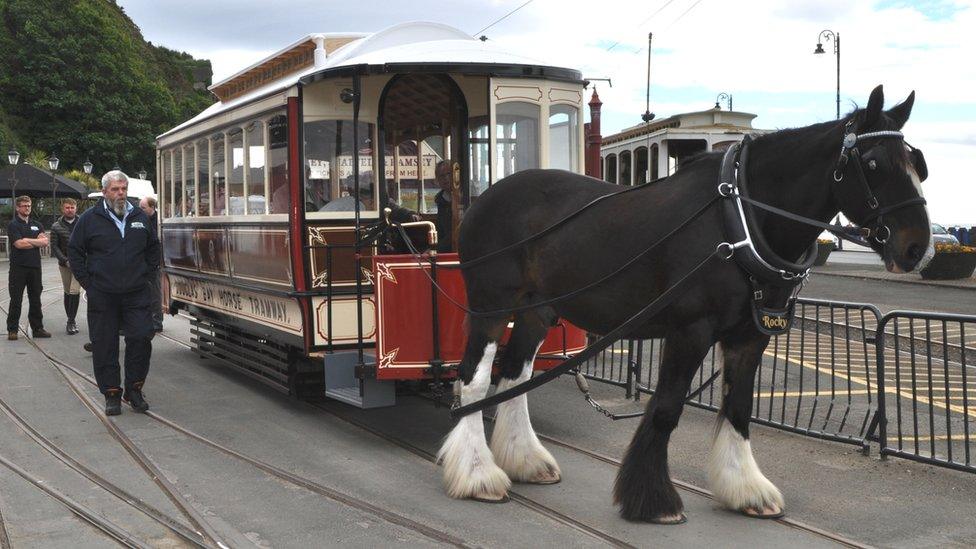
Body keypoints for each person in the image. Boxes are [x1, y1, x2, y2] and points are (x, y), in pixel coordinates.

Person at [69, 171, 160, 416]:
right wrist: (88, 282)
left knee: (141, 338)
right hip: (103, 294)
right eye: (115, 189)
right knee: (104, 344)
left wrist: (146, 275)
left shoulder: (140, 216)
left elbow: (153, 248)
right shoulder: (89, 219)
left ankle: (134, 389)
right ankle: (111, 394)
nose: (120, 193)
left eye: (123, 188)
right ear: (105, 192)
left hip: (137, 293)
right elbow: (75, 252)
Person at [6, 196, 52, 340]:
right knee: (16, 300)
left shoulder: (37, 224)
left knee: (35, 299)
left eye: (29, 205)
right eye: (24, 206)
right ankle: (12, 330)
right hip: (18, 268)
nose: (27, 208)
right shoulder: (13, 225)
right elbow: (19, 244)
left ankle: (37, 328)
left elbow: (45, 242)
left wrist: (27, 240)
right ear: (18, 208)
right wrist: (35, 241)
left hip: (34, 268)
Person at [49, 199, 82, 334]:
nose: (70, 210)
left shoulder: (82, 222)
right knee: (68, 291)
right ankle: (71, 318)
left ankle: (71, 321)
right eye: (67, 208)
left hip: (80, 263)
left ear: (76, 209)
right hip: (64, 264)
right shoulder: (56, 226)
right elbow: (54, 246)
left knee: (75, 290)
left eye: (72, 207)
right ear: (63, 209)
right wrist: (64, 260)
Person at [139, 196, 163, 332]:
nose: (141, 210)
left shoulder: (158, 221)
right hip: (142, 262)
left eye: (143, 208)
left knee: (155, 293)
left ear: (152, 208)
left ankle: (157, 321)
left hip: (154, 263)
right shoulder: (141, 219)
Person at [433, 160, 455, 252]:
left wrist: (437, 250)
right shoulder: (440, 200)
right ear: (438, 180)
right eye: (442, 176)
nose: (446, 178)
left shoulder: (465, 196)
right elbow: (441, 231)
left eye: (449, 174)